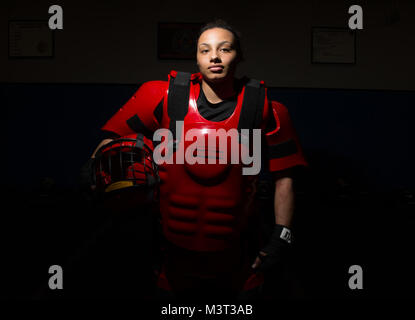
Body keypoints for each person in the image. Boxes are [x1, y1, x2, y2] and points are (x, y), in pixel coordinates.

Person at [87, 19, 308, 300]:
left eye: (224, 49)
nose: (214, 56)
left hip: (238, 255)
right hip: (171, 252)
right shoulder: (162, 96)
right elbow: (112, 138)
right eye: (205, 50)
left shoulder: (266, 109)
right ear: (196, 57)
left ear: (239, 55)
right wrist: (92, 165)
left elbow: (284, 178)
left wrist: (281, 236)